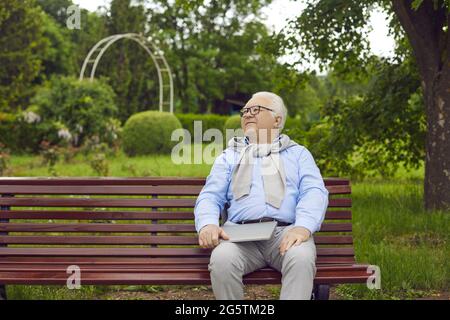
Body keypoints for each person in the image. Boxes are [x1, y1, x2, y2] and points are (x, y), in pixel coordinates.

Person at [194, 91, 329, 300]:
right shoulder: (230, 155)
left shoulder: (298, 154)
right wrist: (208, 224)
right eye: (245, 111)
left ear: (277, 120)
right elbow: (210, 195)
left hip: (286, 233)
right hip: (240, 236)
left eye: (255, 110)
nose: (247, 114)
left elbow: (314, 192)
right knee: (221, 259)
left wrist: (303, 227)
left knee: (301, 258)